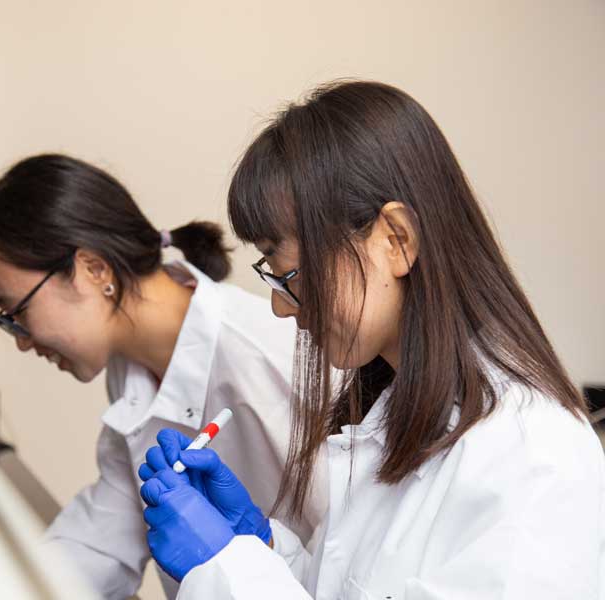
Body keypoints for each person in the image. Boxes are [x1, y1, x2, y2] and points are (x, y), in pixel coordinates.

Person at [137, 81, 605, 599]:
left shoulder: (532, 458)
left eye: (291, 273)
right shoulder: (396, 413)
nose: (280, 304)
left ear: (396, 240)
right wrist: (260, 546)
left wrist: (224, 569)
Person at [0, 153, 328, 598]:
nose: (21, 339)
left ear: (93, 270)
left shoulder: (273, 358)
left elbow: (345, 565)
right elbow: (115, 522)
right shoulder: (130, 366)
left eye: (16, 311)